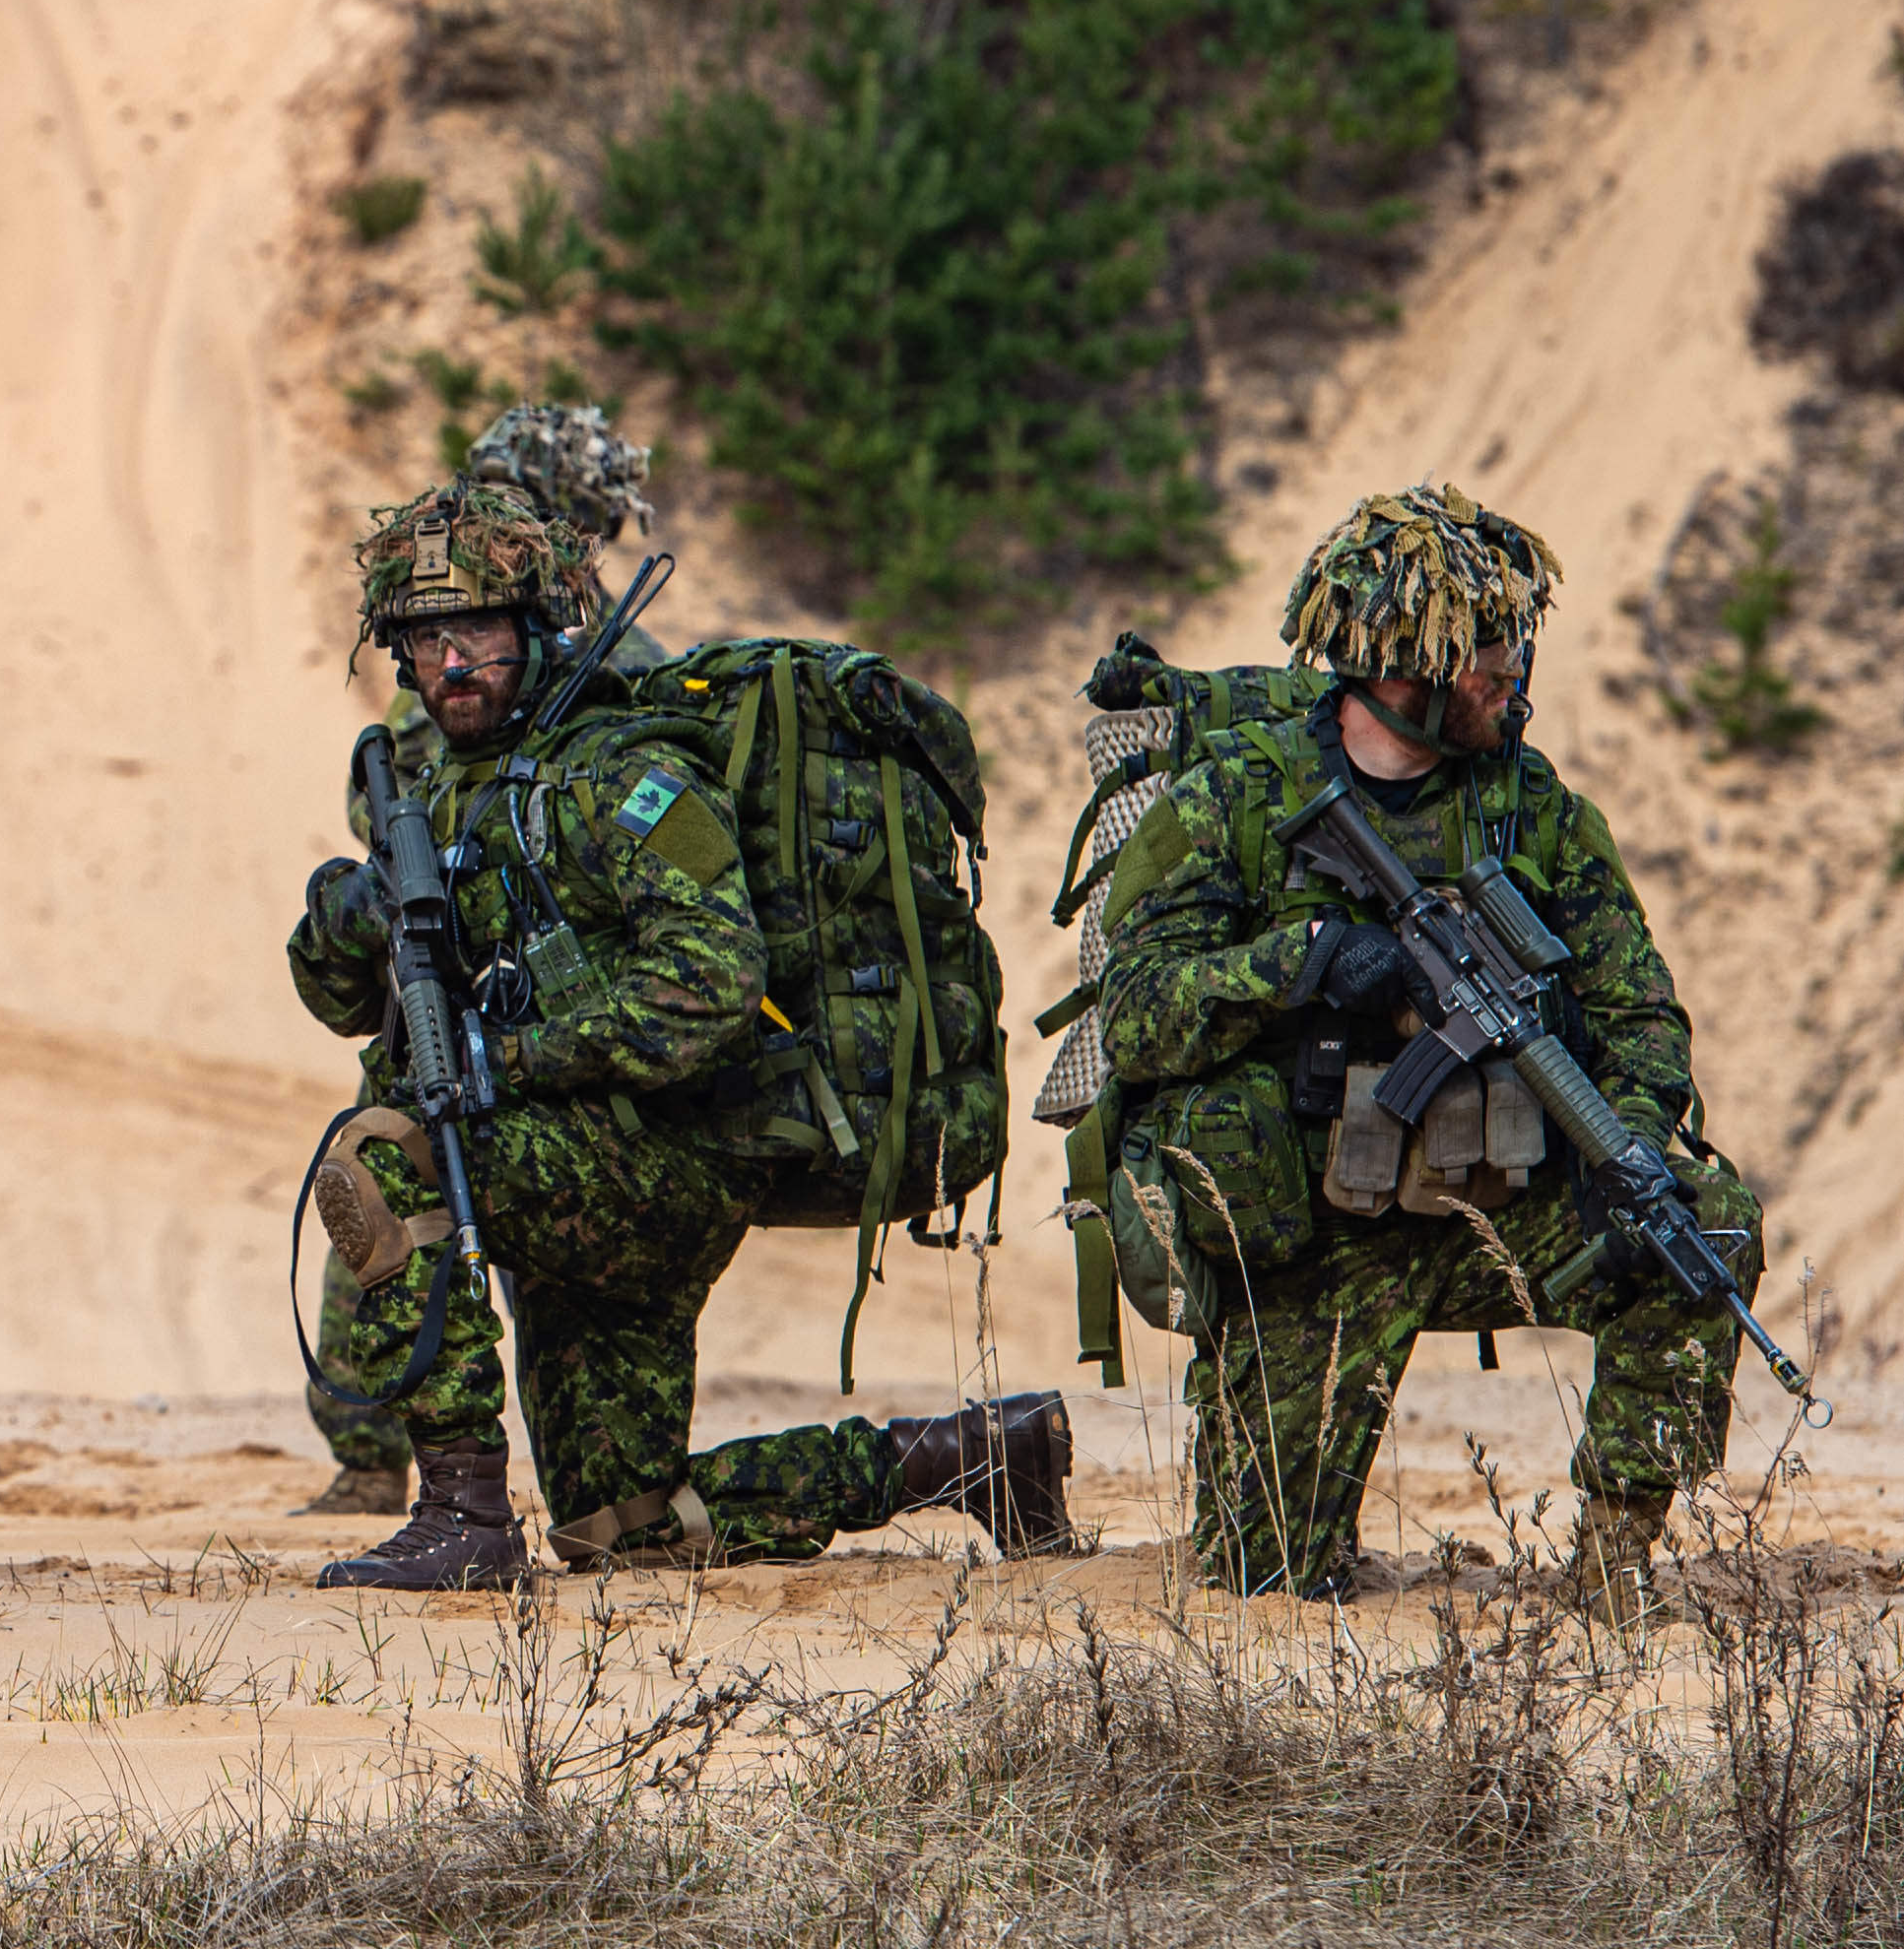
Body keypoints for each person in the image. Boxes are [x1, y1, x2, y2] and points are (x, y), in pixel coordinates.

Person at [284, 483, 1072, 1590]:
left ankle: (462, 1507)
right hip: (575, 1169)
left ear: (538, 627)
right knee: (625, 1526)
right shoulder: (437, 792)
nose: (451, 663)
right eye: (422, 640)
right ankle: (967, 1458)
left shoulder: (621, 774)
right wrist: (344, 919)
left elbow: (709, 982)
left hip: (661, 1164)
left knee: (385, 1158)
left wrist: (512, 1059)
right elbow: (346, 1004)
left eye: (477, 633)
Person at [1095, 483, 1757, 1613]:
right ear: (1407, 668)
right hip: (1316, 1236)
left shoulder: (1527, 808)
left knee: (1698, 1226)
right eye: (1489, 663)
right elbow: (1139, 1014)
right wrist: (1302, 963)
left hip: (1497, 1205)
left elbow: (1642, 1012)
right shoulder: (1239, 802)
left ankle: (1614, 1564)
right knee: (1263, 1582)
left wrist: (1627, 1141)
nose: (1514, 682)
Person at [297, 405, 665, 1519]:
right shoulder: (562, 653)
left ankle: (382, 1456)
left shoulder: (595, 670)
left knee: (408, 1159)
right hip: (479, 1006)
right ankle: (419, 1470)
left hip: (570, 1053)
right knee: (393, 1155)